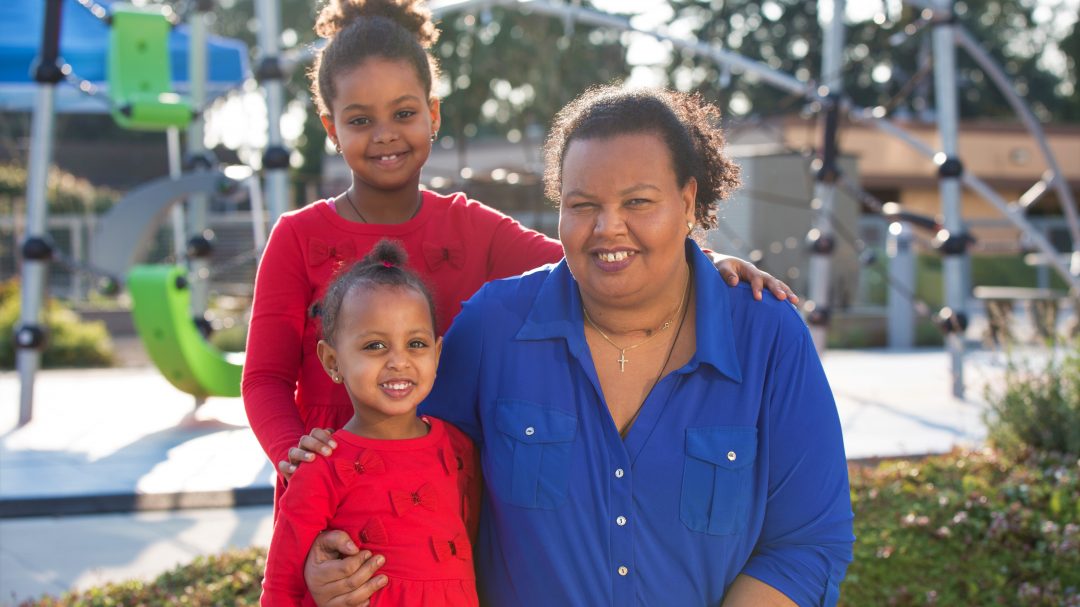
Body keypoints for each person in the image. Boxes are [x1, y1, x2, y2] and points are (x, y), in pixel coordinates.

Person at [305, 86, 855, 606]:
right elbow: (403, 467)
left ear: (688, 201)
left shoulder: (767, 337)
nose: (607, 228)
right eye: (583, 204)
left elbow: (806, 544)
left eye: (638, 202)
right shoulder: (493, 327)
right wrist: (328, 561)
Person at [242, 0, 797, 512]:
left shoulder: (473, 228)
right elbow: (264, 378)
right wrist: (298, 458)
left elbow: (594, 256)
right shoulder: (297, 237)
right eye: (360, 120)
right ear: (330, 129)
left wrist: (700, 259)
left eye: (404, 113)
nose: (385, 134)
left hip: (440, 494)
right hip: (329, 489)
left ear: (433, 114)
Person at [260, 241, 481, 606]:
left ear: (437, 354)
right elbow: (279, 589)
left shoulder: (459, 448)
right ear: (332, 360)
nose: (399, 361)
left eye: (416, 343)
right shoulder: (320, 468)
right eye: (375, 346)